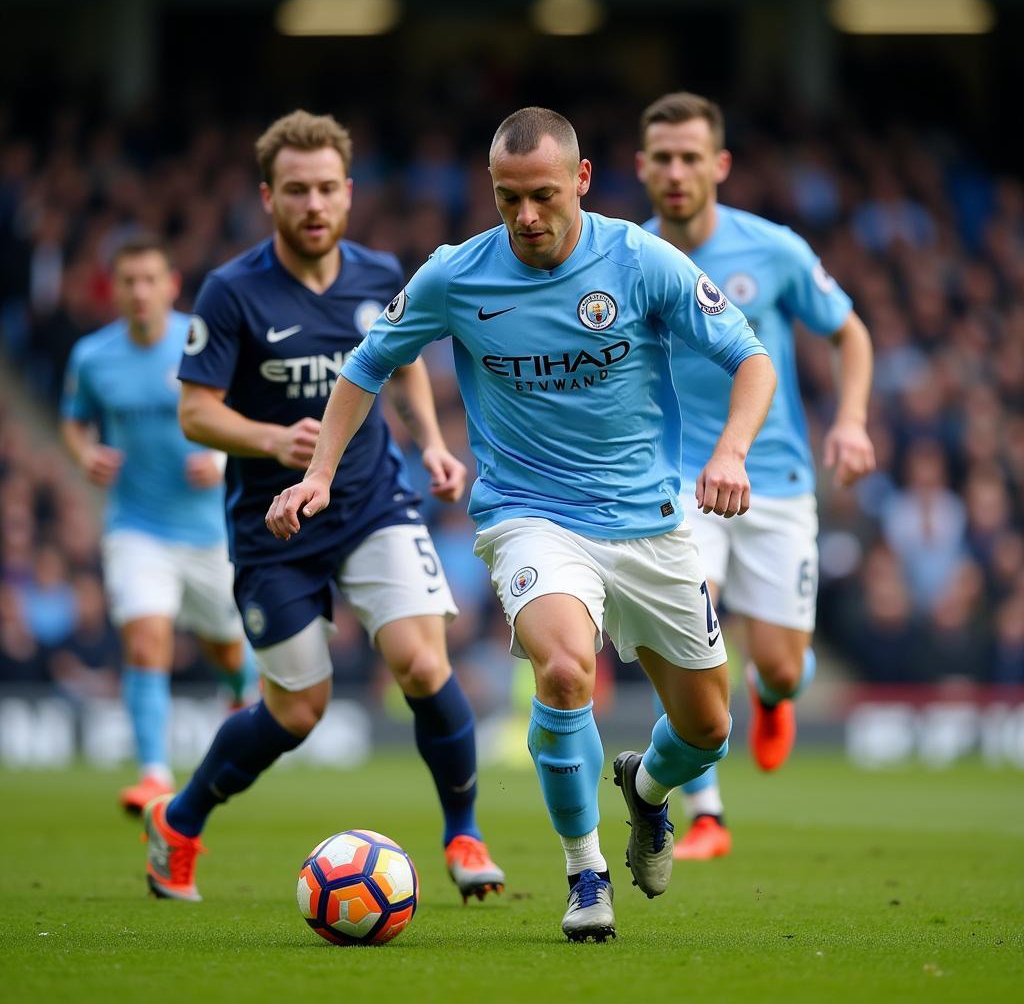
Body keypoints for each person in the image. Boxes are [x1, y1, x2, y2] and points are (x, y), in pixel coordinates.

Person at [266, 107, 777, 942]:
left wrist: (731, 452)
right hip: (530, 516)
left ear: (580, 180)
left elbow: (750, 358)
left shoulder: (640, 260)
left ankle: (646, 792)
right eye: (508, 199)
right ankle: (585, 874)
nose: (527, 217)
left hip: (649, 523)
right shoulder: (455, 275)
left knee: (707, 730)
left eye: (543, 195)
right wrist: (318, 472)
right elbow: (367, 366)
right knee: (566, 672)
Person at [141, 110, 504, 905]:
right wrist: (277, 444)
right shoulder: (232, 291)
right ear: (269, 197)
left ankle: (464, 833)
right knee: (299, 709)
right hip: (271, 527)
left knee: (420, 660)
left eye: (328, 189)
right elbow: (196, 413)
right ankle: (179, 819)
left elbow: (399, 362)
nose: (314, 204)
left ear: (349, 194)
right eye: (297, 190)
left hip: (374, 500)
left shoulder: (380, 275)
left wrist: (434, 442)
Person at [636, 91, 876, 860]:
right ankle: (706, 812)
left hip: (774, 478)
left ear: (720, 165)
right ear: (642, 168)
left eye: (690, 158)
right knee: (688, 632)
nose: (676, 172)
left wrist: (850, 421)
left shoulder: (773, 249)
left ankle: (775, 696)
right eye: (662, 159)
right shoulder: (627, 258)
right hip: (676, 481)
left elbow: (851, 333)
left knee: (777, 663)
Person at [61, 236, 253, 815]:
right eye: (128, 281)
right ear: (114, 289)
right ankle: (152, 775)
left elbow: (248, 410)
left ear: (171, 284)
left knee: (226, 650)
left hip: (208, 532)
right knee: (146, 641)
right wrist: (83, 453)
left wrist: (220, 459)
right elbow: (74, 421)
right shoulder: (92, 357)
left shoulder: (201, 338)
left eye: (150, 280)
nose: (140, 292)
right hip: (135, 527)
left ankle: (245, 692)